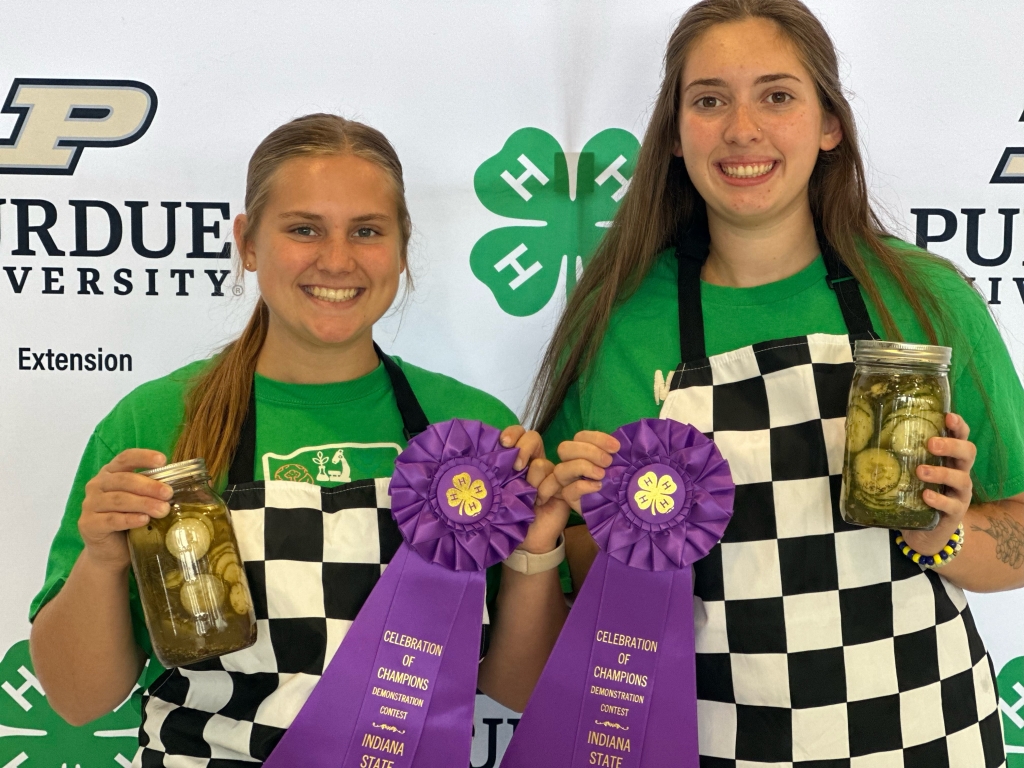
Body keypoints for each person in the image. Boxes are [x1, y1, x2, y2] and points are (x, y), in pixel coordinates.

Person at [533, 1, 1024, 765]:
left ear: (830, 124)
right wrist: (614, 535)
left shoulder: (925, 299)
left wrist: (943, 533)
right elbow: (575, 561)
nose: (742, 130)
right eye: (709, 100)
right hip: (701, 740)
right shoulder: (620, 319)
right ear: (674, 132)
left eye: (777, 95)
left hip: (921, 735)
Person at [29, 114, 569, 764]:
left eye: (366, 231)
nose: (337, 260)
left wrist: (537, 550)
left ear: (401, 250)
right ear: (248, 243)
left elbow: (518, 687)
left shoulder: (472, 429)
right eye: (304, 229)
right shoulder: (155, 422)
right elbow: (76, 697)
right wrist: (103, 561)